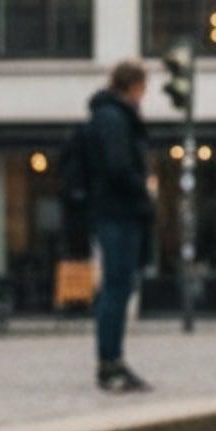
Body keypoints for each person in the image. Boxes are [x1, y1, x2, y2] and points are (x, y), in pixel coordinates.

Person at [81, 60, 156, 394]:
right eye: (143, 88)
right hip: (118, 212)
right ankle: (109, 365)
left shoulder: (113, 115)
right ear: (134, 86)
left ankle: (113, 361)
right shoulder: (113, 117)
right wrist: (144, 186)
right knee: (116, 287)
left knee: (119, 286)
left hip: (118, 211)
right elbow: (118, 166)